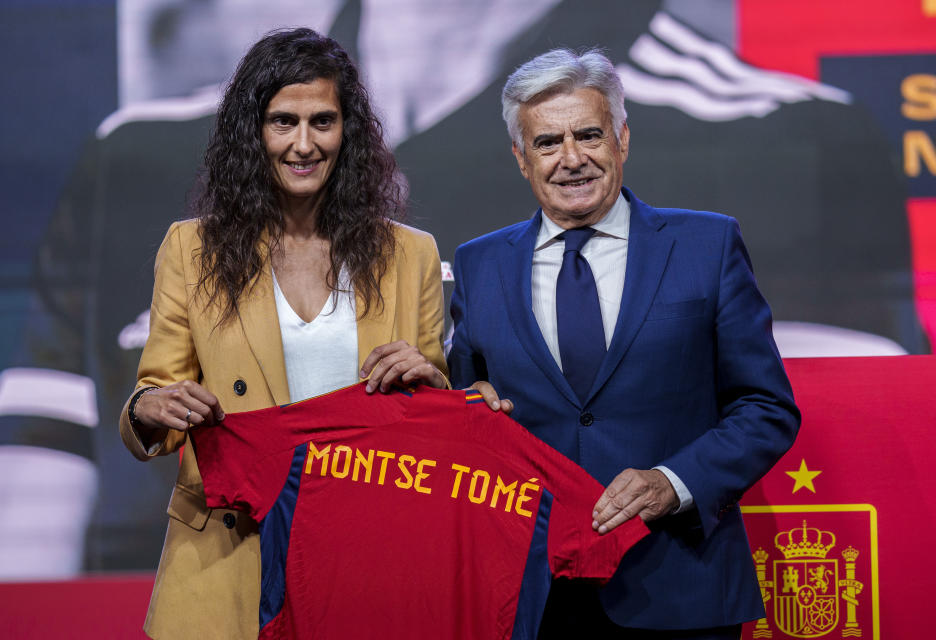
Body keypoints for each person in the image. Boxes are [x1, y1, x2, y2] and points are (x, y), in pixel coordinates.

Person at [448, 49, 801, 638]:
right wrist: (465, 407)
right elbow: (469, 409)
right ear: (520, 157)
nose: (571, 159)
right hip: (532, 596)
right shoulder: (478, 263)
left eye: (589, 134)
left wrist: (673, 482)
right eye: (547, 143)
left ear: (622, 139)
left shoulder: (706, 245)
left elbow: (766, 408)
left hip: (679, 588)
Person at [118, 28, 447, 639]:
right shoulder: (192, 250)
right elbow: (152, 398)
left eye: (323, 121)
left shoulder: (412, 256)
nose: (304, 144)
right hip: (226, 559)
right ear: (253, 132)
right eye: (282, 122)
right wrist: (154, 406)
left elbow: (431, 414)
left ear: (348, 132)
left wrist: (432, 383)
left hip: (363, 558)